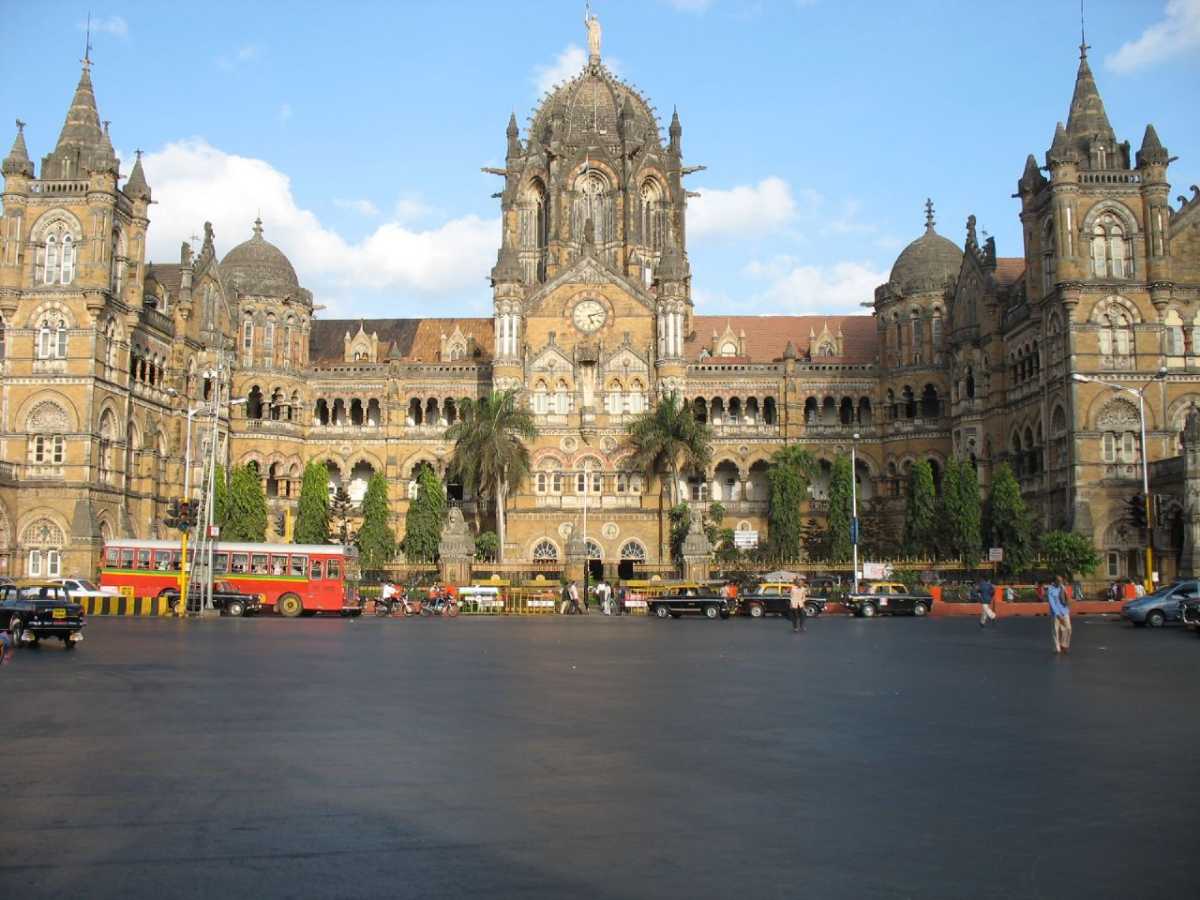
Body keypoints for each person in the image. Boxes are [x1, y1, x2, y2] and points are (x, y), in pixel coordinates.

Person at [1048, 574, 1072, 655]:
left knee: (1068, 628)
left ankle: (1064, 644)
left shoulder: (1062, 587)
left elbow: (1067, 598)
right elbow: (1052, 603)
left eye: (1061, 581)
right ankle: (1056, 647)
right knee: (1055, 630)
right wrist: (1058, 614)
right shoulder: (1051, 589)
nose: (1060, 582)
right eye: (1058, 581)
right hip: (1055, 613)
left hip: (1064, 611)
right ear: (1054, 581)